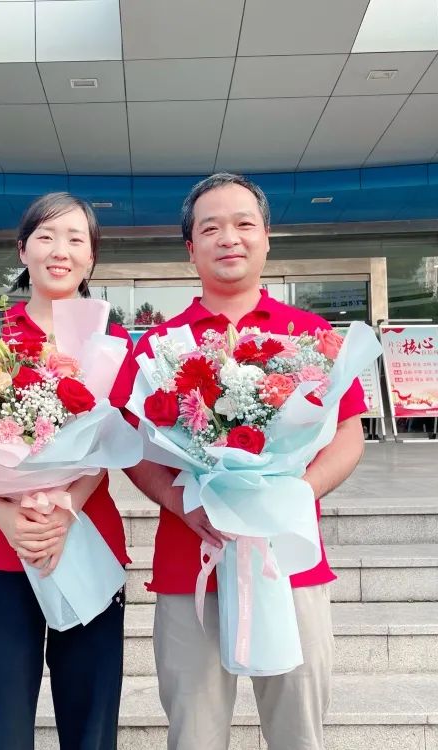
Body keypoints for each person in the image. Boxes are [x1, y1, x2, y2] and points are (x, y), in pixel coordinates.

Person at [124, 173, 367, 750]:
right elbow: (132, 447)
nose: (228, 238)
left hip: (288, 561)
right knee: (195, 731)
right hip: (192, 559)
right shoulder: (159, 347)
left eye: (243, 224)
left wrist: (295, 494)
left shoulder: (310, 337)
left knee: (298, 730)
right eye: (211, 228)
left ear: (266, 238)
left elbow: (348, 434)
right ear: (191, 249)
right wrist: (183, 503)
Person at [0, 192, 134, 750]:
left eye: (76, 239)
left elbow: (112, 444)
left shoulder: (113, 342)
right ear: (22, 249)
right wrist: (6, 517)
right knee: (3, 724)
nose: (61, 251)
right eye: (46, 237)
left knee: (91, 725)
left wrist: (66, 508)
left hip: (86, 541)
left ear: (91, 257)